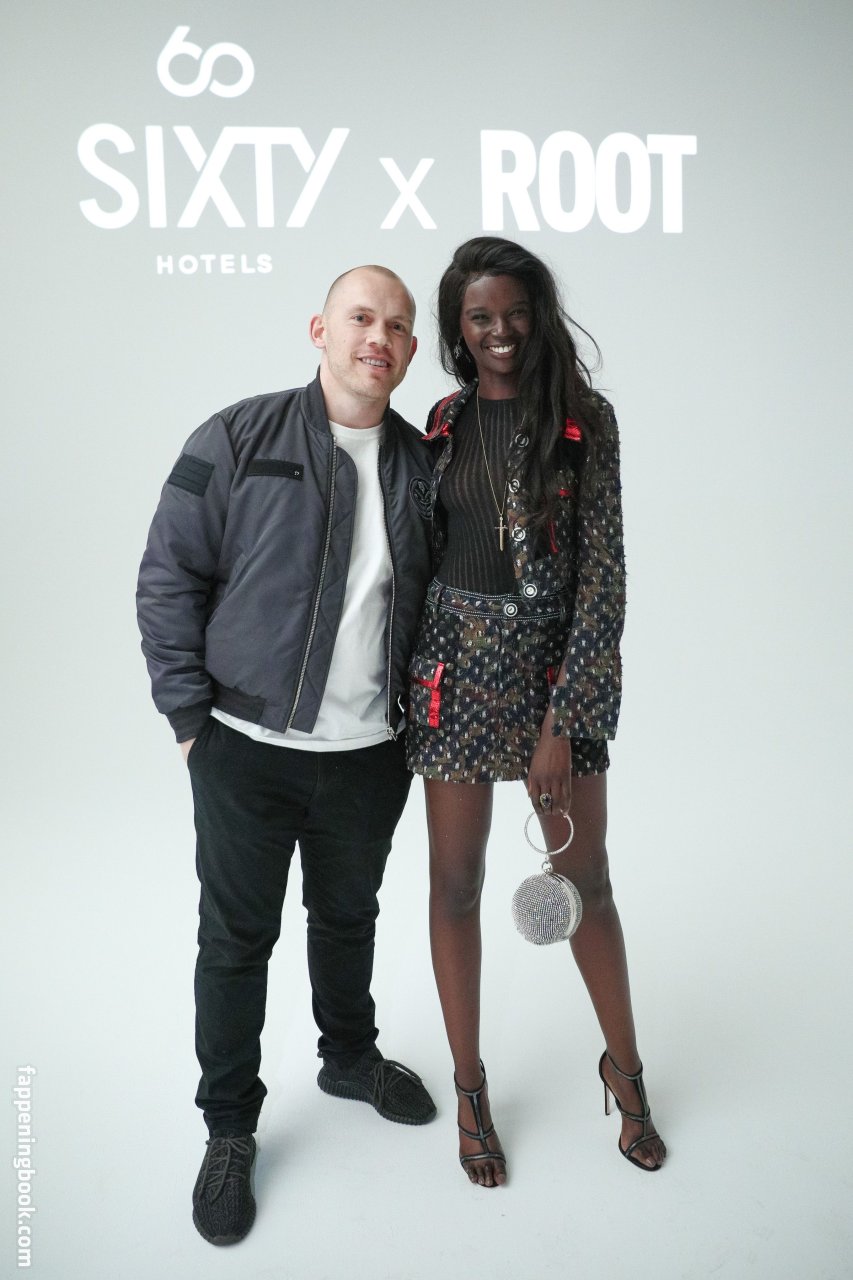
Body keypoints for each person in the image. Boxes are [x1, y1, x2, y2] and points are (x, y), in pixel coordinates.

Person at [136, 266, 437, 1245]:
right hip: (243, 749)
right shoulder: (236, 436)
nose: (377, 337)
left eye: (397, 325)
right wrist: (191, 721)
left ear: (410, 349)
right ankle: (229, 1126)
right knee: (235, 941)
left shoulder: (421, 464)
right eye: (361, 317)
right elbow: (168, 573)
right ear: (319, 329)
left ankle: (348, 1058)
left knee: (348, 917)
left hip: (370, 754)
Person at [407, 237, 667, 1187]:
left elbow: (604, 580)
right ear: (458, 328)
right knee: (453, 886)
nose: (500, 331)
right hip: (452, 676)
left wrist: (562, 720)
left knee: (585, 883)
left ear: (537, 315)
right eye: (480, 316)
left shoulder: (582, 423)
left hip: (552, 680)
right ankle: (469, 1091)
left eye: (514, 311)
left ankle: (626, 1076)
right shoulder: (441, 421)